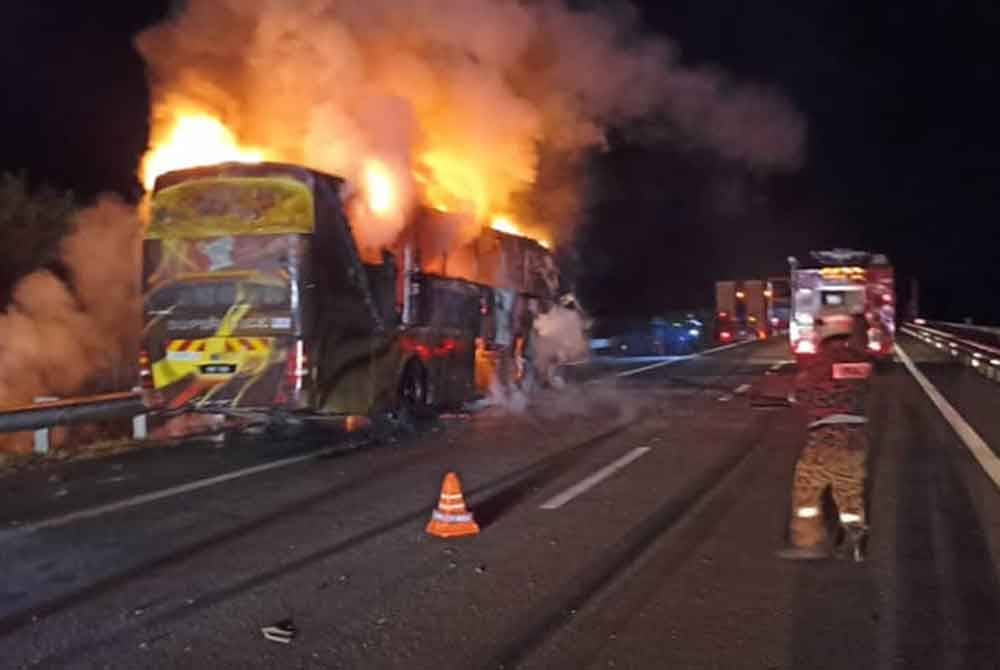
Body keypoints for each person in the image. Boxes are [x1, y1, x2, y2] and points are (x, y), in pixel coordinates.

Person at [777, 313, 872, 561]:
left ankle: (808, 542)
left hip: (825, 437)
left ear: (825, 335)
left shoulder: (817, 364)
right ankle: (855, 542)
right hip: (857, 438)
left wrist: (794, 397)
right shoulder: (861, 363)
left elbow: (801, 394)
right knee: (850, 491)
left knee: (807, 490)